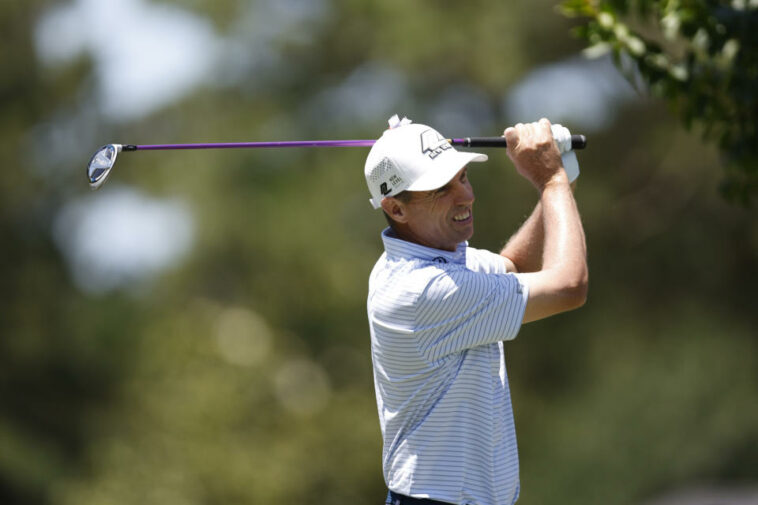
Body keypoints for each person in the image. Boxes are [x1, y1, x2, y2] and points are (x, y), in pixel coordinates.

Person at [365, 115, 588, 505]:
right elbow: (568, 286)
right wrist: (550, 182)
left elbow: (514, 266)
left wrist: (560, 179)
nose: (465, 196)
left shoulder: (441, 262)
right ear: (395, 209)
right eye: (440, 188)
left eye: (463, 177)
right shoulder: (425, 290)